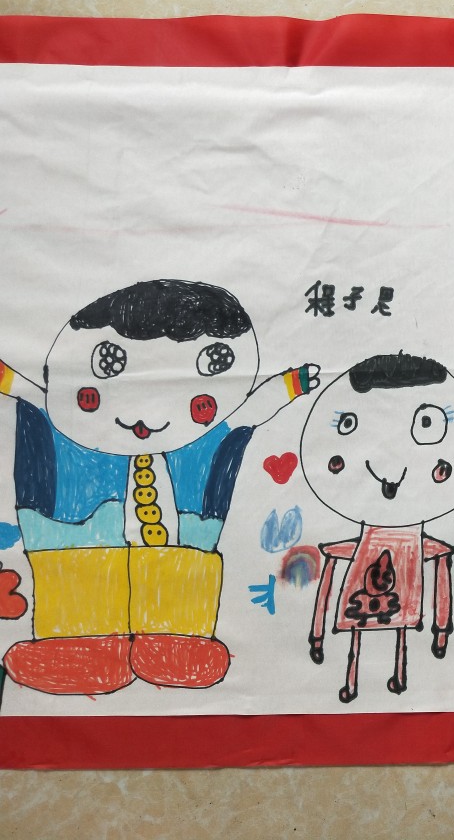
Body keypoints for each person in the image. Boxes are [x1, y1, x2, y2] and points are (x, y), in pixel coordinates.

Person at [1, 279, 318, 695]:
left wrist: (287, 387)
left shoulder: (201, 444)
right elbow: (24, 390)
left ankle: (176, 641)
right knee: (79, 581)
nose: (145, 415)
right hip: (78, 545)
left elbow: (247, 410)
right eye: (109, 365)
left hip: (180, 551)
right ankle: (77, 644)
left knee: (180, 582)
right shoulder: (65, 426)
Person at [301, 353, 454, 701]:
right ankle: (350, 666)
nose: (390, 468)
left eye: (427, 423)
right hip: (377, 551)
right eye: (348, 423)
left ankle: (381, 665)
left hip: (402, 548)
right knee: (366, 619)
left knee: (386, 622)